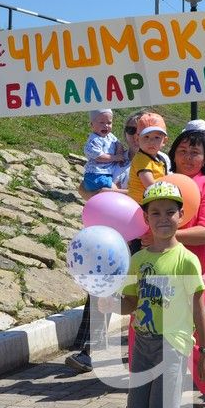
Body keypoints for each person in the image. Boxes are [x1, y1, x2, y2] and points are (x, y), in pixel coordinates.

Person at [110, 181, 205, 408]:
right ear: (146, 218)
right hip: (142, 341)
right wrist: (109, 305)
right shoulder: (139, 260)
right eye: (155, 213)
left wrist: (204, 354)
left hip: (173, 343)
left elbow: (198, 309)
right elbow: (131, 302)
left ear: (182, 216)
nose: (163, 218)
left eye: (170, 212)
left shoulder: (186, 260)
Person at [69, 110, 147, 376]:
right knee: (99, 290)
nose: (134, 135)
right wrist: (99, 192)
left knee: (140, 296)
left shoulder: (157, 162)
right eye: (130, 129)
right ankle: (90, 350)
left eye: (141, 129)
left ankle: (143, 351)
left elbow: (152, 194)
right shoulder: (117, 159)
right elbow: (85, 188)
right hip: (110, 239)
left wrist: (115, 193)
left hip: (141, 239)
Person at [166, 120, 205, 404]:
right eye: (182, 150)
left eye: (195, 152)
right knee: (159, 332)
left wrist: (167, 234)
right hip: (158, 270)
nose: (188, 158)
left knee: (184, 332)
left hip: (195, 273)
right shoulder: (162, 184)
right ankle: (160, 396)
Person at [127, 112, 170, 204]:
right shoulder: (141, 159)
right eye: (146, 137)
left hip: (151, 201)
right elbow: (150, 185)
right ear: (137, 139)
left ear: (164, 141)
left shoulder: (160, 159)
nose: (151, 141)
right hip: (140, 205)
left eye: (157, 137)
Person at [81, 108, 126, 194]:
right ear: (92, 125)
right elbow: (100, 157)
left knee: (113, 188)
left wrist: (120, 154)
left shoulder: (110, 136)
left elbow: (118, 144)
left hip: (105, 174)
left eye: (109, 123)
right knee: (114, 190)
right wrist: (115, 158)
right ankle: (126, 193)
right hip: (95, 175)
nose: (106, 125)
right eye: (101, 122)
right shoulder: (93, 141)